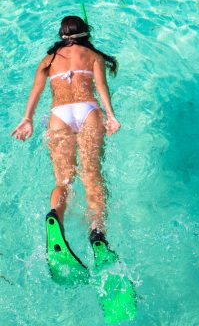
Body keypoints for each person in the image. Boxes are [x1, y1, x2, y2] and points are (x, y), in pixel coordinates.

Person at [11, 16, 120, 239]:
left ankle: (56, 216)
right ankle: (97, 229)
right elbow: (100, 86)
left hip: (59, 115)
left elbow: (36, 90)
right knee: (92, 175)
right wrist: (110, 115)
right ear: (85, 33)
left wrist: (27, 119)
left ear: (62, 34)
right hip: (88, 111)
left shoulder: (49, 59)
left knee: (63, 180)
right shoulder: (93, 56)